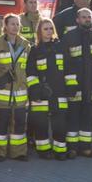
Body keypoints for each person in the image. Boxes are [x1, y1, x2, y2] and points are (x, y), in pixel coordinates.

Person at [0, 13, 32, 160]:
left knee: (19, 125)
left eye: (17, 24)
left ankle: (18, 153)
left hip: (20, 93)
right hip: (1, 93)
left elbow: (28, 69)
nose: (15, 27)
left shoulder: (26, 45)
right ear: (5, 26)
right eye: (12, 24)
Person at [59, 6, 92, 157]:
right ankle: (72, 148)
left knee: (87, 119)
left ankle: (85, 147)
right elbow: (64, 63)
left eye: (89, 17)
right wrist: (70, 84)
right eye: (84, 17)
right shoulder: (69, 37)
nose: (87, 20)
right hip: (75, 86)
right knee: (73, 118)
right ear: (77, 20)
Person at [27, 17, 67, 159]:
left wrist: (71, 86)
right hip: (41, 92)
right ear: (40, 31)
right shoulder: (35, 50)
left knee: (60, 124)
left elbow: (69, 69)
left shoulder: (61, 47)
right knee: (41, 124)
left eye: (51, 28)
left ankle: (60, 151)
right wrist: (36, 89)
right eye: (45, 28)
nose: (49, 31)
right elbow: (31, 72)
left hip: (59, 91)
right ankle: (43, 150)